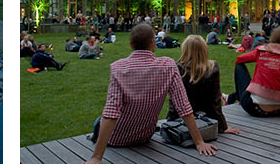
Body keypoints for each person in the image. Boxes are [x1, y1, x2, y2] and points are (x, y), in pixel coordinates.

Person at [86, 24, 217, 163]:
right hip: (144, 136)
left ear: (131, 44)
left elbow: (110, 114)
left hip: (116, 139)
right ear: (153, 42)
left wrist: (96, 157)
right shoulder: (168, 66)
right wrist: (199, 142)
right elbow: (183, 106)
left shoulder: (118, 68)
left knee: (99, 121)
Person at [225, 27, 280, 124]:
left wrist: (264, 62)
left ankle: (238, 99)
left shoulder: (261, 51)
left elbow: (239, 59)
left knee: (239, 67)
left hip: (254, 108)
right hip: (279, 110)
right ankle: (232, 97)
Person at [168, 35, 243, 136]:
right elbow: (216, 101)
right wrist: (222, 126)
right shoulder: (212, 68)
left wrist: (170, 122)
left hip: (182, 121)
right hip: (206, 120)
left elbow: (174, 102)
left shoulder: (178, 68)